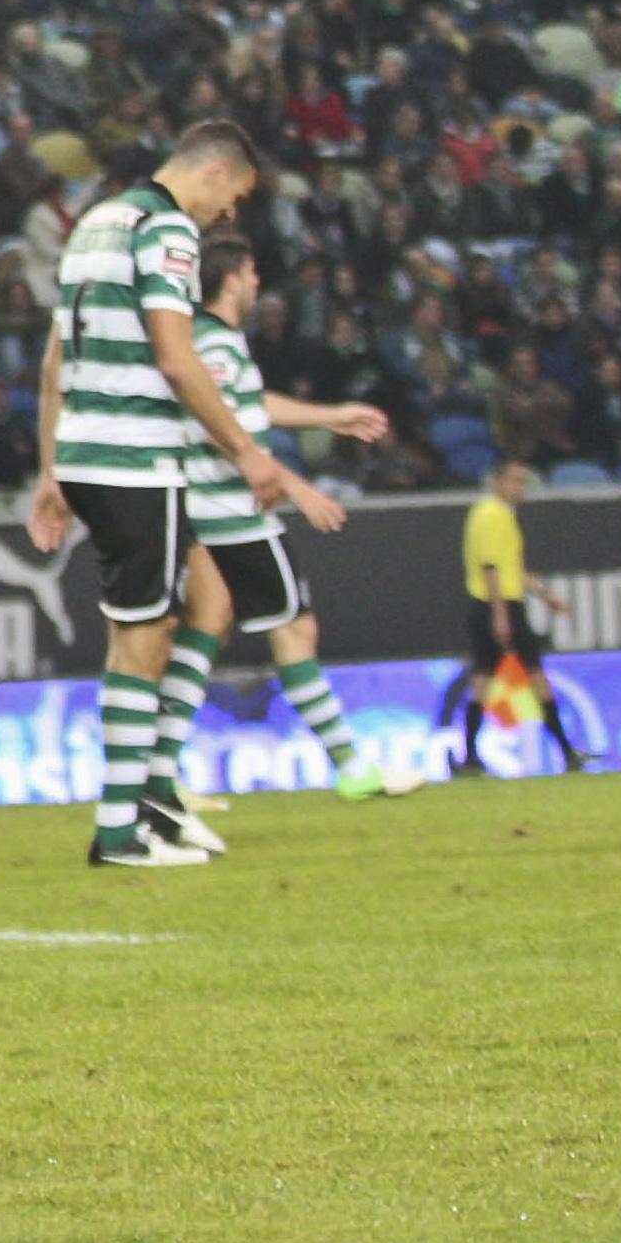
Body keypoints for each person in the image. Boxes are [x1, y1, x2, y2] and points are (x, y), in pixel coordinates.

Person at [26, 123, 343, 871]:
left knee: (139, 631)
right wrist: (247, 452)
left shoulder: (97, 222)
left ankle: (146, 808)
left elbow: (53, 361)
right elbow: (175, 357)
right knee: (144, 640)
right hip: (135, 458)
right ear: (211, 171)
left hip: (84, 452)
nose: (228, 215)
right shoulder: (165, 227)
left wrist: (50, 469)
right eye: (233, 196)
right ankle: (120, 832)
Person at [147, 236, 396, 829]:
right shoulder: (210, 340)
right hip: (234, 511)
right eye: (253, 271)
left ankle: (159, 777)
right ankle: (352, 766)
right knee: (293, 630)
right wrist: (295, 485)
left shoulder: (219, 342)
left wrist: (332, 414)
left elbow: (248, 405)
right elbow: (213, 422)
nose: (258, 282)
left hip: (217, 508)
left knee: (207, 630)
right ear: (233, 279)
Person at [437, 458, 582, 776]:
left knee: (485, 680)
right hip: (497, 605)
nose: (521, 488)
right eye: (515, 481)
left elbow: (511, 566)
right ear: (498, 482)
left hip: (497, 605)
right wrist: (500, 615)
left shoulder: (500, 515)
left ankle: (470, 757)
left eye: (523, 482)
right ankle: (567, 752)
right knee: (530, 676)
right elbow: (490, 568)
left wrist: (545, 595)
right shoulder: (490, 515)